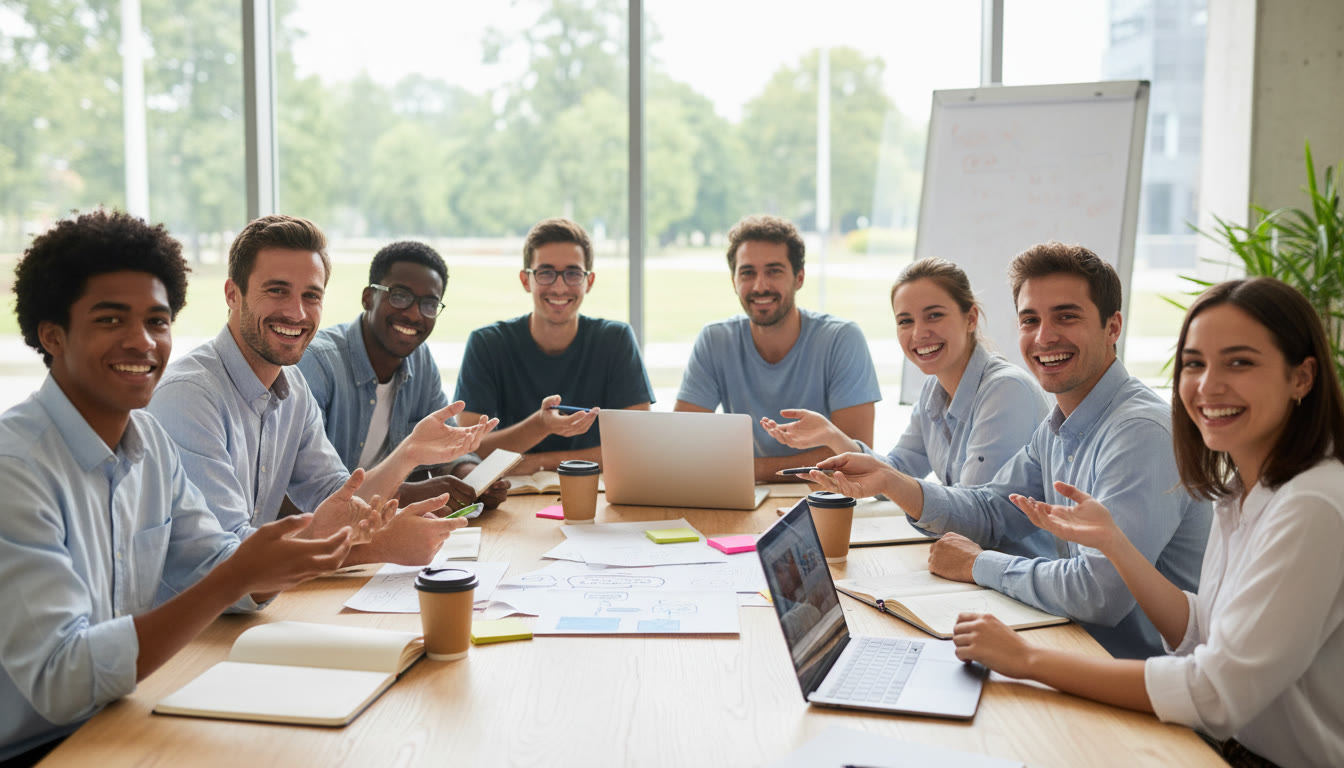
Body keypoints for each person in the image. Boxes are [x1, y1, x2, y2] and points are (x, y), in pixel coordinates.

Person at [0, 211, 398, 764]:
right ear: (53, 335)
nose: (142, 342)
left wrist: (267, 563)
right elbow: (62, 680)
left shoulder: (148, 445)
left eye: (157, 321)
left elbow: (224, 572)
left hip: (122, 715)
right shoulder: (14, 470)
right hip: (40, 747)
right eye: (111, 320)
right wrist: (241, 571)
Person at [953, 277, 1344, 768]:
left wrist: (1028, 661)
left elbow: (1215, 694)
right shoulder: (1243, 491)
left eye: (1239, 362)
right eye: (1194, 364)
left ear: (1302, 377)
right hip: (1225, 745)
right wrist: (1117, 545)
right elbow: (1205, 630)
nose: (1208, 385)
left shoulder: (1313, 505)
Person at [809, 242, 1211, 659]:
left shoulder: (1139, 432)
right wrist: (892, 481)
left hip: (1142, 679)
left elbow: (1099, 593)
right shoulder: (1057, 428)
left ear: (1113, 327)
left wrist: (977, 564)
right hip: (1074, 644)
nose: (1044, 336)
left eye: (1066, 317)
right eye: (1030, 320)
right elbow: (991, 511)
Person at [148, 215, 495, 565]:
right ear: (232, 295)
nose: (297, 312)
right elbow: (223, 561)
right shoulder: (188, 398)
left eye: (311, 295)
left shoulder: (292, 388)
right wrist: (377, 547)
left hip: (254, 607)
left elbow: (336, 499)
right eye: (277, 290)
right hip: (196, 616)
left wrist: (410, 453)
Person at [762, 257, 1047, 487]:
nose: (919, 333)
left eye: (934, 315)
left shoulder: (1005, 391)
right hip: (964, 550)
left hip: (1011, 557)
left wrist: (892, 485)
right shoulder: (933, 392)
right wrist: (833, 437)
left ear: (970, 318)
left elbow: (975, 510)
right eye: (905, 321)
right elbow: (897, 471)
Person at [297, 241, 508, 516]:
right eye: (399, 296)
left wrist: (473, 478)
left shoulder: (420, 361)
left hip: (383, 529)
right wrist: (407, 494)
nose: (414, 314)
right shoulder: (317, 364)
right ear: (368, 298)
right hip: (327, 538)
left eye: (429, 304)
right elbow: (307, 490)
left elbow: (445, 446)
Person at [675, 214, 881, 482]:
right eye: (748, 273)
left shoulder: (841, 339)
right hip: (746, 494)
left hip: (823, 496)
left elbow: (857, 457)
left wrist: (750, 470)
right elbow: (680, 442)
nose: (760, 286)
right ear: (733, 281)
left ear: (799, 278)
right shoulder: (715, 340)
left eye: (774, 271)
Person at [455, 218, 654, 475]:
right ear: (526, 280)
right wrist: (541, 424)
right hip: (508, 497)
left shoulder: (615, 339)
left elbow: (637, 445)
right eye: (546, 273)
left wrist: (534, 463)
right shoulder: (486, 343)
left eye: (573, 274)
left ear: (589, 281)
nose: (559, 287)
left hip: (597, 492)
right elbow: (469, 447)